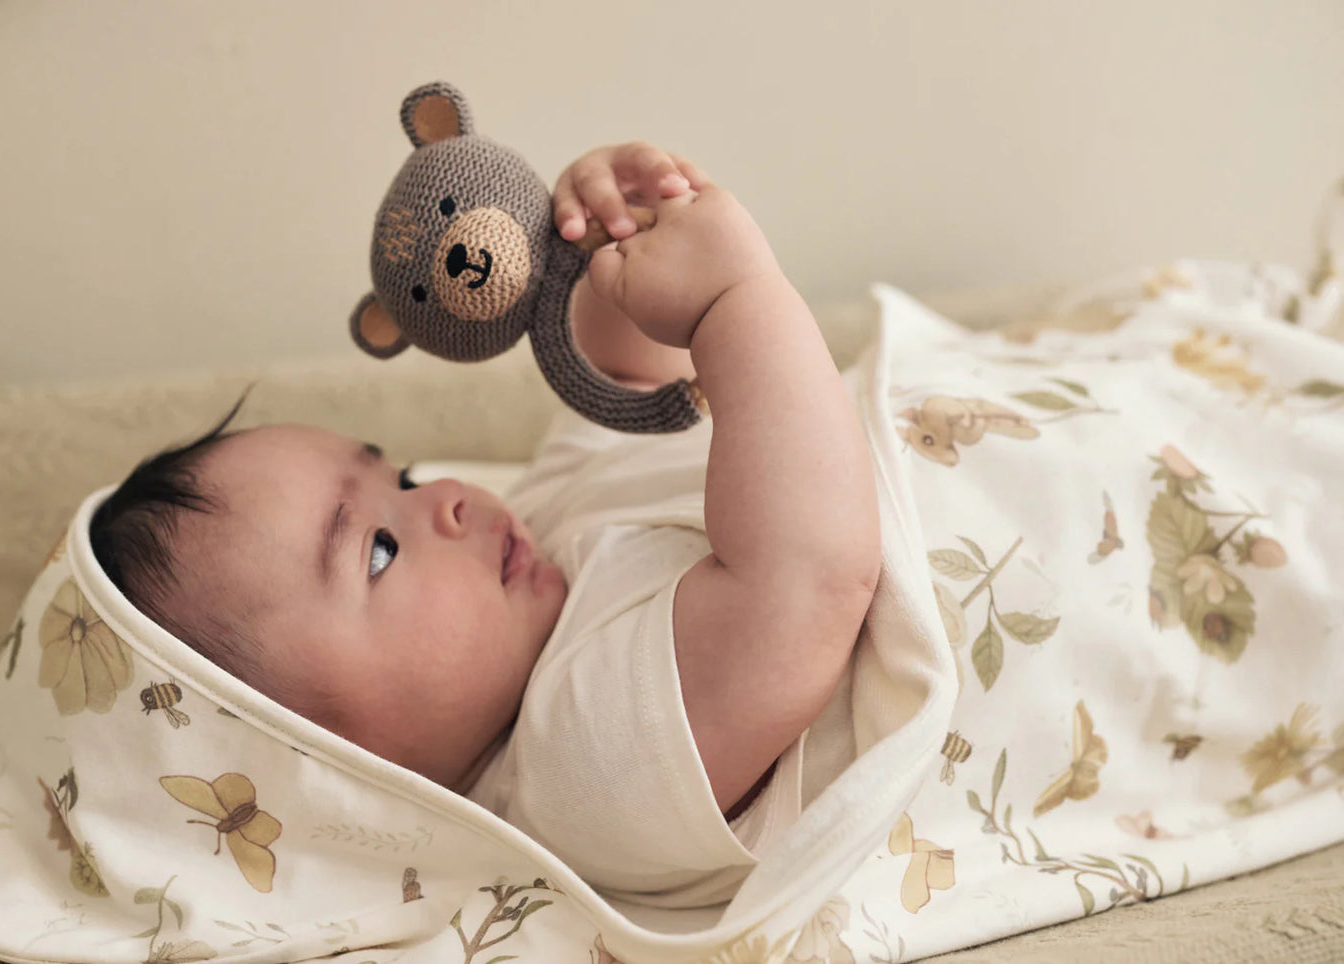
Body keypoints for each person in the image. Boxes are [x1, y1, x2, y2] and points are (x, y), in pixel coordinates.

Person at [89, 142, 881, 902]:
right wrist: (733, 301)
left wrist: (612, 252)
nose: (447, 497)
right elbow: (807, 579)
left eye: (399, 476)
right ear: (328, 766)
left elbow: (633, 376)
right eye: (378, 552)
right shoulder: (583, 764)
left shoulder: (540, 523)